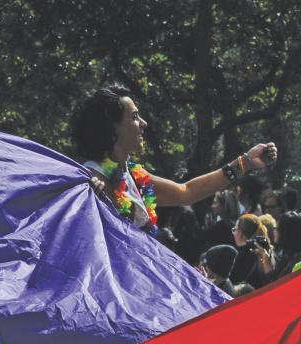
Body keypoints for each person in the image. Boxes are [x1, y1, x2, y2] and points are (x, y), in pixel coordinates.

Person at [72, 85, 277, 236]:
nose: (143, 123)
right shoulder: (89, 180)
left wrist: (246, 162)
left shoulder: (134, 175)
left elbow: (185, 193)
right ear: (111, 128)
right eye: (134, 117)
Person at [231, 213, 276, 287]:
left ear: (242, 233)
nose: (233, 233)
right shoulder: (266, 251)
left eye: (235, 229)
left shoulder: (237, 256)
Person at [273, 211, 301, 278]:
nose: (274, 231)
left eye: (277, 228)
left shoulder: (297, 260)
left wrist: (266, 260)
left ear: (286, 233)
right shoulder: (286, 253)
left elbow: (277, 283)